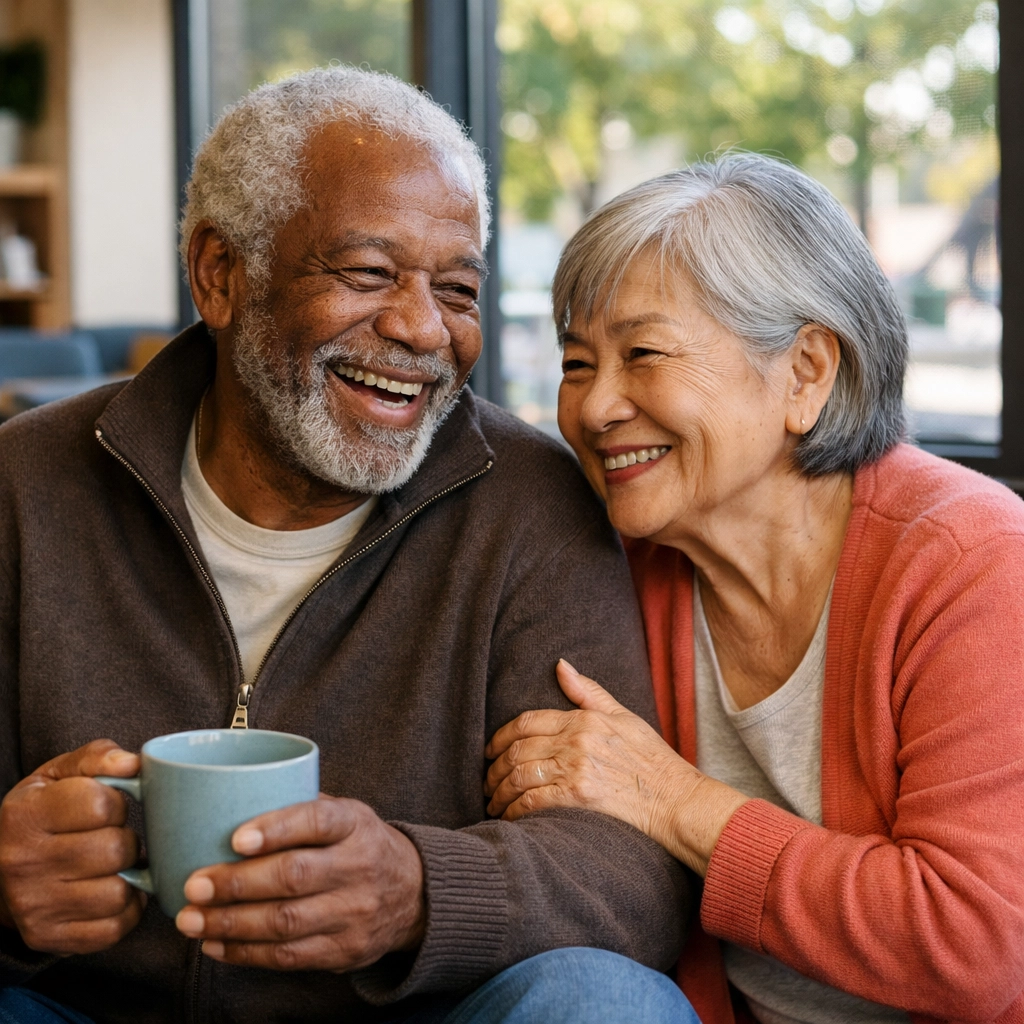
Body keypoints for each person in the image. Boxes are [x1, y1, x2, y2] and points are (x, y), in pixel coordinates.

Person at [0, 68, 697, 1024]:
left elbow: (629, 876)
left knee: (605, 1001)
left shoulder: (533, 505)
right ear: (220, 275)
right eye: (368, 273)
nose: (421, 329)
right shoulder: (23, 485)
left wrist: (418, 891)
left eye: (456, 289)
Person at [485, 154, 1024, 1023]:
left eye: (644, 353)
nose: (592, 409)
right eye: (578, 363)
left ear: (806, 371)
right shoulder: (617, 557)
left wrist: (673, 799)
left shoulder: (969, 560)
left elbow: (975, 944)